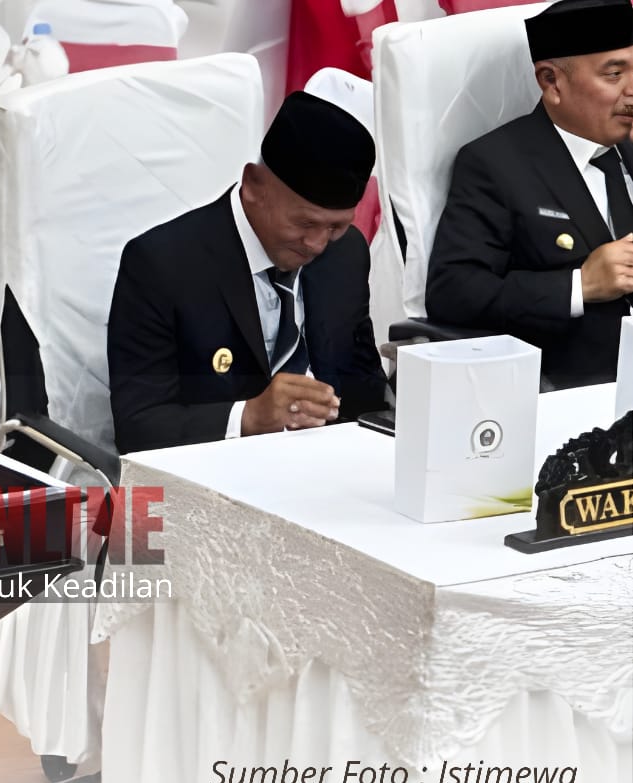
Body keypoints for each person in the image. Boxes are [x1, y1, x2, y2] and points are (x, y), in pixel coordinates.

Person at [107, 90, 388, 453]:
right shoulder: (161, 265)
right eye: (305, 223)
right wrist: (249, 417)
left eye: (336, 226)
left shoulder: (346, 253)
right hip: (214, 468)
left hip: (331, 462)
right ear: (254, 186)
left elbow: (364, 389)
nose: (318, 244)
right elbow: (138, 426)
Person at [427, 0, 633, 389]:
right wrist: (579, 285)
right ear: (552, 81)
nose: (632, 90)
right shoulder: (496, 164)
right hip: (573, 386)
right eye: (614, 74)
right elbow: (453, 292)